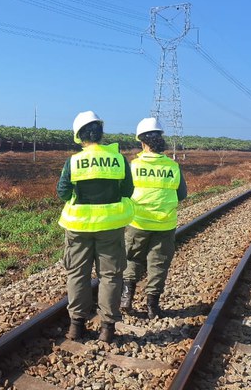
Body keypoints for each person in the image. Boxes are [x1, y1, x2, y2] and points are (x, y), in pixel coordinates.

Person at [57, 111, 134, 343]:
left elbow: (62, 192)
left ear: (79, 136)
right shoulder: (119, 159)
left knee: (77, 274)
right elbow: (128, 191)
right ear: (101, 133)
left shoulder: (73, 161)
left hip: (78, 226)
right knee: (110, 276)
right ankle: (107, 329)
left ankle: (76, 327)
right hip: (110, 227)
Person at [120, 118, 187, 319]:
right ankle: (152, 307)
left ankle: (126, 298)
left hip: (137, 222)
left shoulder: (134, 166)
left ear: (142, 142)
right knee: (158, 263)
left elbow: (124, 192)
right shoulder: (172, 167)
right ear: (160, 140)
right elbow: (181, 194)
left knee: (132, 258)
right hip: (165, 224)